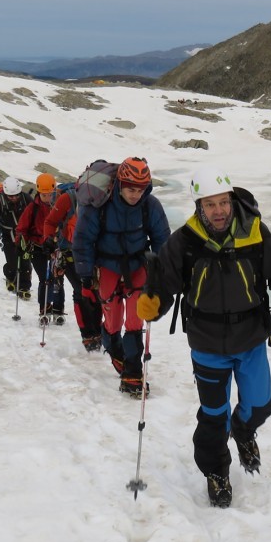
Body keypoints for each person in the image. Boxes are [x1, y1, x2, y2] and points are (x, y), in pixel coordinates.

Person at [135, 165, 271, 508]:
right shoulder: (185, 241)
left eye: (223, 203)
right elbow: (164, 285)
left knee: (261, 405)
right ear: (199, 207)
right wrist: (152, 304)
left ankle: (244, 430)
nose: (218, 211)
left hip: (250, 340)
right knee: (213, 417)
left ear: (231, 201)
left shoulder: (256, 233)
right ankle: (216, 471)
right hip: (206, 343)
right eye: (209, 204)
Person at [73, 157, 170, 393]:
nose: (135, 194)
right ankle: (116, 352)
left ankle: (133, 371)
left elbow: (162, 239)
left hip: (137, 265)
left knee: (136, 318)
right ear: (119, 184)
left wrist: (159, 273)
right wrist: (86, 278)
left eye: (141, 189)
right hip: (106, 266)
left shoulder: (151, 206)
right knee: (113, 318)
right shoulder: (100, 204)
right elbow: (83, 240)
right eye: (130, 189)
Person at [44, 181, 103, 350]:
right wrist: (49, 239)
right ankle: (88, 334)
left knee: (96, 293)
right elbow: (51, 222)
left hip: (94, 254)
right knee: (82, 291)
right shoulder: (67, 199)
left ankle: (95, 333)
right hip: (69, 253)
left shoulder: (105, 199)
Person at [16, 173, 66, 323]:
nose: (47, 198)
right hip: (37, 248)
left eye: (49, 194)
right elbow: (21, 227)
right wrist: (20, 243)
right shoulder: (32, 208)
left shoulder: (59, 206)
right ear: (38, 192)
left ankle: (58, 309)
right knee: (45, 279)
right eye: (44, 195)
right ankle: (44, 309)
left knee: (58, 278)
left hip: (56, 248)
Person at [0, 177, 32, 297]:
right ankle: (10, 277)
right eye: (11, 196)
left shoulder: (26, 199)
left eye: (16, 195)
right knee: (12, 262)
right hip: (7, 235)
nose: (14, 198)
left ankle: (24, 288)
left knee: (25, 262)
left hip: (25, 235)